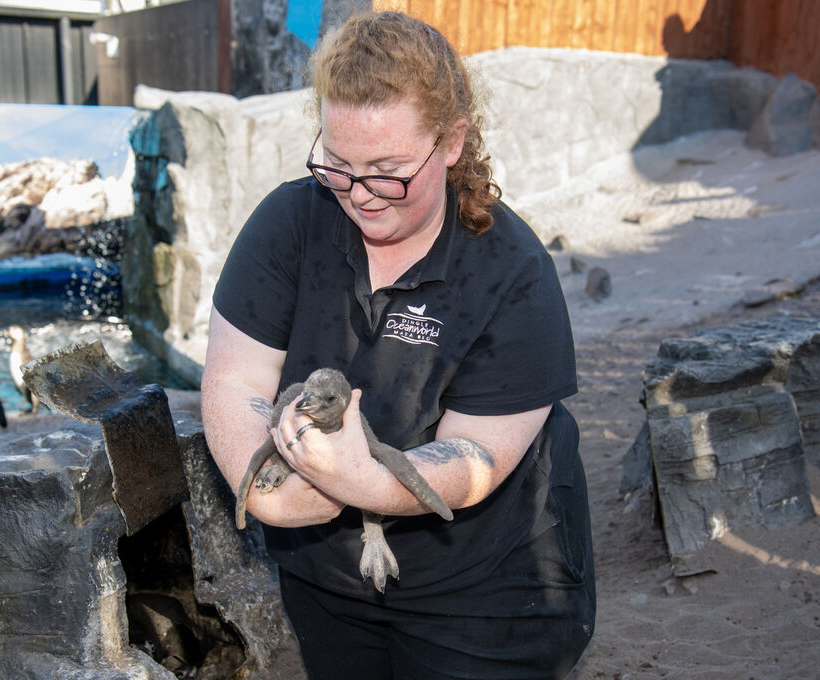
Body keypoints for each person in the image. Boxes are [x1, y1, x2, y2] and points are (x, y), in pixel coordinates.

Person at [201, 10, 595, 679]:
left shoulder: (513, 272)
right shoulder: (288, 226)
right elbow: (235, 383)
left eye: (387, 170)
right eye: (337, 163)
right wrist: (268, 493)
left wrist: (361, 479)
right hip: (329, 576)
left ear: (450, 141)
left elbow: (475, 458)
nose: (359, 196)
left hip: (491, 586)